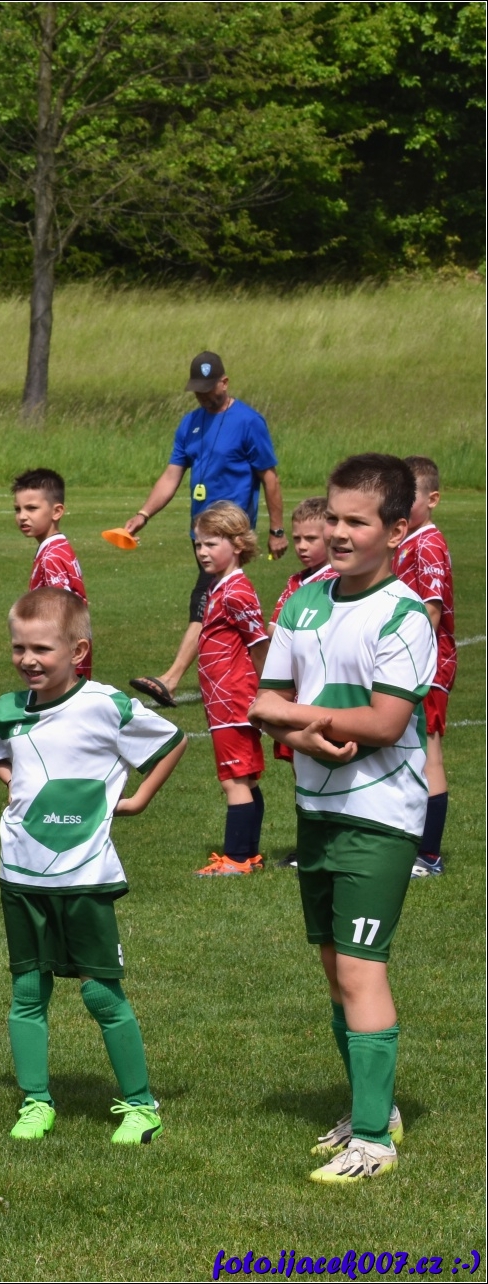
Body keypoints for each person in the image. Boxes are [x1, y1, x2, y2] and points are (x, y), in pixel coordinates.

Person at [249, 453, 433, 1184]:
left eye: (358, 521)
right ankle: (370, 1106)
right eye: (332, 516)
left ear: (396, 530)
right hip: (317, 809)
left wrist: (300, 718)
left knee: (360, 967)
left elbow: (385, 722)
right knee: (334, 969)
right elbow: (265, 702)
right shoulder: (303, 603)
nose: (339, 532)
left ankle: (375, 1143)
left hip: (380, 814)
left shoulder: (404, 614)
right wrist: (305, 733)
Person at [0, 588, 186, 1144]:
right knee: (27, 991)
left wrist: (138, 799)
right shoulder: (7, 708)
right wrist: (15, 785)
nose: (28, 659)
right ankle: (35, 1102)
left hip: (85, 875)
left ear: (78, 650)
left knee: (100, 993)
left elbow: (170, 742)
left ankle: (141, 1106)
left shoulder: (104, 705)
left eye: (42, 648)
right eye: (19, 647)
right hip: (20, 872)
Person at [125, 351, 285, 708]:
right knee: (222, 606)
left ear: (224, 383)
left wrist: (277, 530)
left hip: (229, 533)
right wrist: (144, 514)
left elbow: (269, 478)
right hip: (202, 534)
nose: (203, 396)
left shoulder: (249, 422)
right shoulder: (190, 424)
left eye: (209, 388)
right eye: (197, 390)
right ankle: (269, 673)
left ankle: (170, 680)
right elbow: (171, 475)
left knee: (205, 600)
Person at [188, 502, 271, 877]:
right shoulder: (221, 586)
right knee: (246, 778)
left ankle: (236, 859)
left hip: (232, 698)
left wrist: (268, 694)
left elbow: (258, 643)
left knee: (233, 779)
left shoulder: (236, 590)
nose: (202, 551)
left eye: (211, 543)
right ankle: (249, 854)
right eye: (198, 544)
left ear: (238, 544)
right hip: (226, 698)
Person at [268, 496, 338, 867]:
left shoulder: (335, 582)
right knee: (301, 769)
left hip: (319, 693)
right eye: (297, 539)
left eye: (311, 538)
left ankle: (328, 841)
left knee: (324, 769)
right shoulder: (296, 581)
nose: (302, 546)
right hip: (293, 694)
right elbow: (274, 629)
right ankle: (312, 842)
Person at [394, 457, 453, 878]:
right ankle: (406, 843)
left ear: (432, 499)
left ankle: (428, 855)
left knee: (429, 754)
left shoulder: (429, 543)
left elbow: (431, 611)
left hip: (427, 664)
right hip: (408, 660)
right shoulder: (406, 541)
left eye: (408, 495)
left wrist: (406, 658)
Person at [14, 468, 90, 677]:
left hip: (61, 661)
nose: (22, 516)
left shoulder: (52, 557)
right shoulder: (58, 548)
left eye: (31, 508)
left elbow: (61, 612)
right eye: (18, 509)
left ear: (57, 511)